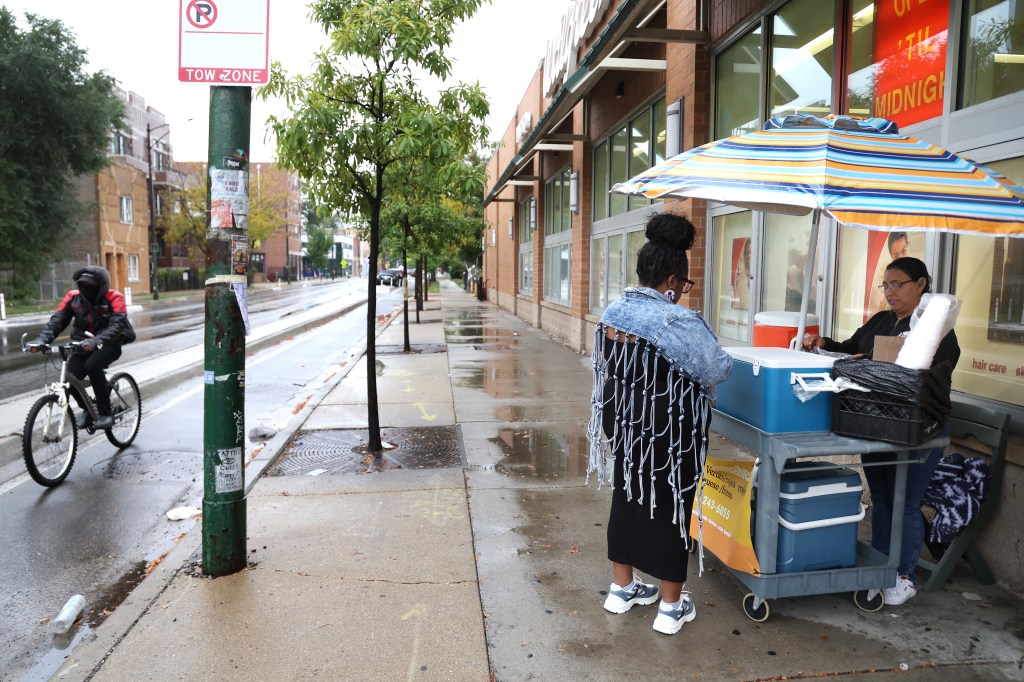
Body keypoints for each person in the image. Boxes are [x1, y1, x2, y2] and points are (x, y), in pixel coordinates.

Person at [587, 212, 733, 635]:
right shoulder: (677, 321)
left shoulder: (614, 310)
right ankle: (670, 608)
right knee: (672, 505)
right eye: (684, 286)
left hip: (624, 421)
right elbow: (717, 368)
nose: (684, 293)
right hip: (669, 430)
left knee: (628, 494)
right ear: (671, 280)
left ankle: (622, 589)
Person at [802, 257, 960, 605]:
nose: (890, 292)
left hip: (919, 428)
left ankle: (903, 575)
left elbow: (925, 380)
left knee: (905, 503)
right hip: (876, 422)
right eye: (885, 285)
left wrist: (872, 365)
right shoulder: (881, 321)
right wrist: (824, 343)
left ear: (921, 285)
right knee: (884, 499)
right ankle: (880, 563)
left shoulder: (938, 331)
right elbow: (851, 347)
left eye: (897, 284)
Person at [28, 266, 132, 430]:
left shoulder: (114, 298)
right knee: (71, 377)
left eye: (91, 285)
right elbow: (57, 322)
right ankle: (89, 408)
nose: (86, 288)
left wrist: (97, 340)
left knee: (92, 365)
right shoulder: (72, 298)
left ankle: (105, 413)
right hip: (82, 344)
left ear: (101, 286)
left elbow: (117, 326)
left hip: (109, 343)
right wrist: (41, 340)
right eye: (83, 284)